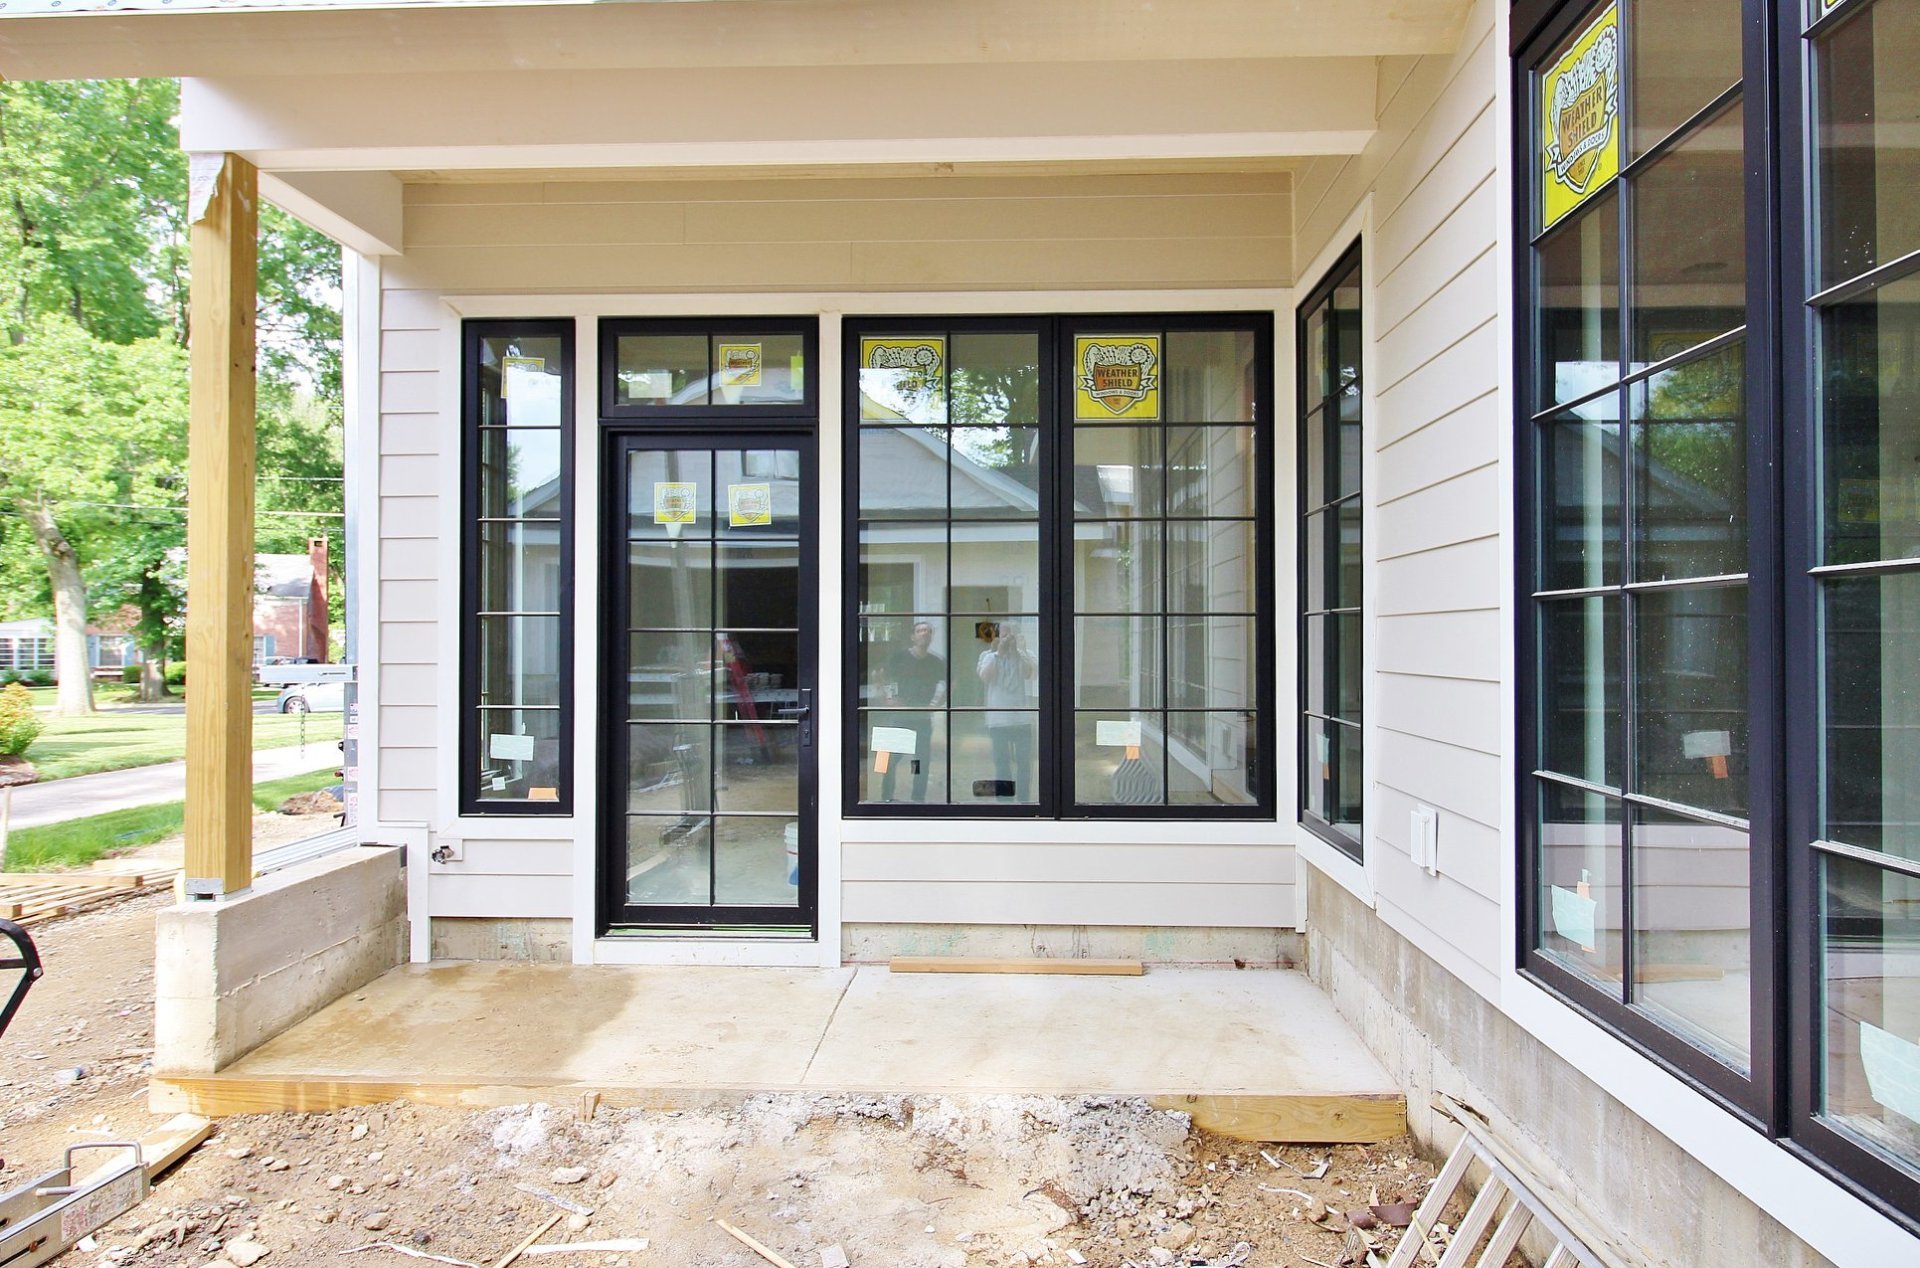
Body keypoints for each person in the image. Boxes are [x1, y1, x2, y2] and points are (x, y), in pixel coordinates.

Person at [876, 620, 946, 802]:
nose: (924, 633)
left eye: (928, 631)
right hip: (899, 717)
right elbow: (879, 675)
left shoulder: (935, 661)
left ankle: (917, 800)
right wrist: (887, 699)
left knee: (920, 762)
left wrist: (937, 703)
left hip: (922, 719)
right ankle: (886, 798)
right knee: (888, 760)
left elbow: (951, 682)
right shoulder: (899, 658)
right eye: (920, 630)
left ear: (931, 637)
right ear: (913, 637)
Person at [976, 623, 1036, 800]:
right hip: (998, 719)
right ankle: (1004, 801)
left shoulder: (1027, 655)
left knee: (1024, 763)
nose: (1008, 638)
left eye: (1012, 635)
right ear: (997, 636)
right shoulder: (987, 656)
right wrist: (999, 654)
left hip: (1022, 719)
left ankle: (1023, 800)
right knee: (1002, 763)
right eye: (1004, 634)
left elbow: (1030, 674)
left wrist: (1021, 651)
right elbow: (985, 678)